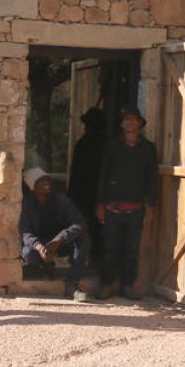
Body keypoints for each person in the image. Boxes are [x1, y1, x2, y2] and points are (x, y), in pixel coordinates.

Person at [96, 106, 158, 301]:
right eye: (125, 120)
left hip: (136, 208)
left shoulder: (148, 149)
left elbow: (151, 178)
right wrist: (100, 203)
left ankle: (127, 286)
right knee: (110, 248)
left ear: (139, 123)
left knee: (131, 250)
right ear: (121, 124)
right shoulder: (112, 146)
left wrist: (150, 205)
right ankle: (107, 284)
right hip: (112, 207)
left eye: (133, 119)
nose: (129, 123)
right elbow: (103, 175)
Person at [19, 167, 91, 302]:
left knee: (83, 238)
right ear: (32, 186)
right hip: (41, 245)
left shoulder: (60, 200)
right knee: (27, 253)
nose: (46, 182)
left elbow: (79, 223)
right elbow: (25, 231)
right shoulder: (27, 205)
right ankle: (45, 267)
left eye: (47, 179)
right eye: (41, 180)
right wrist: (39, 246)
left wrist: (59, 239)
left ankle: (72, 283)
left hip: (62, 243)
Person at [67, 107, 108, 260]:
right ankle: (90, 258)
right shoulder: (104, 144)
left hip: (86, 193)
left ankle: (80, 258)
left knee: (83, 225)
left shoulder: (83, 144)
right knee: (90, 227)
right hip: (92, 193)